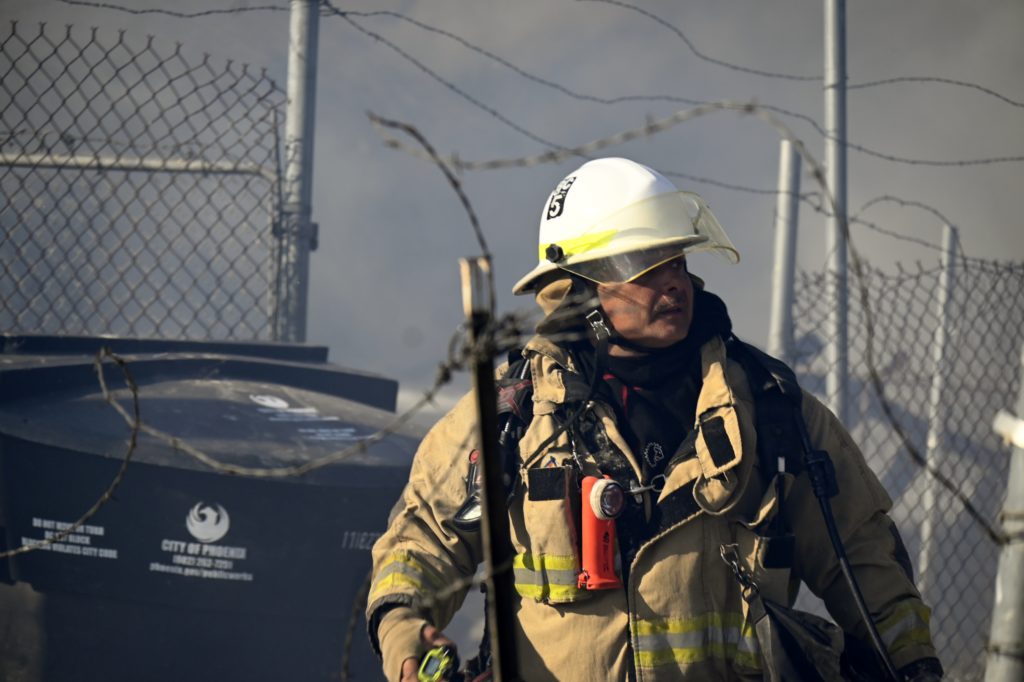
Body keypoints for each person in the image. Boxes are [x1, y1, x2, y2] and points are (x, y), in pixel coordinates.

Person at [366, 157, 942, 681]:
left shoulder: (769, 409)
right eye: (642, 264)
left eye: (677, 260)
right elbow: (422, 542)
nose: (672, 280)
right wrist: (406, 635)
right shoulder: (512, 418)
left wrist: (914, 667)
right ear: (580, 289)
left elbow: (863, 560)